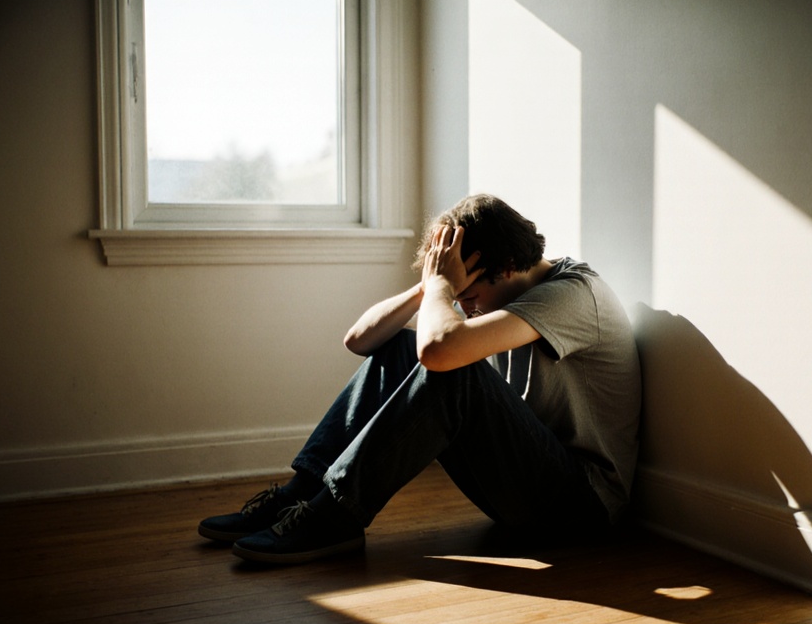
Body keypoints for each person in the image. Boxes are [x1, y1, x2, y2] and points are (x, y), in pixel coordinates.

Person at [198, 193, 641, 564]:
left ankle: (335, 516)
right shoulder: (504, 291)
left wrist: (445, 292)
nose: (464, 307)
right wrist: (429, 286)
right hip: (528, 487)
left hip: (581, 508)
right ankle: (300, 495)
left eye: (469, 295)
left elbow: (438, 350)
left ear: (506, 267)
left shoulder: (573, 295)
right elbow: (359, 340)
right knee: (400, 347)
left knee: (450, 367)